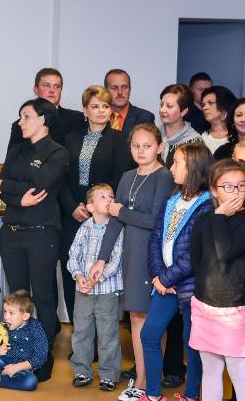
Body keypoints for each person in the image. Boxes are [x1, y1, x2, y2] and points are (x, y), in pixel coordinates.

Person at [87, 123, 174, 401]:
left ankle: (149, 381)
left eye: (147, 145)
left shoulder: (164, 176)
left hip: (153, 255)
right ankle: (143, 378)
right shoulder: (127, 176)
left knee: (153, 321)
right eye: (136, 145)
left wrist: (121, 211)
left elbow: (154, 220)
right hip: (132, 254)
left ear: (159, 147)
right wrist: (102, 258)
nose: (140, 150)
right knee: (137, 317)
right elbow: (114, 222)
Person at [0, 97, 69, 381]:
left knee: (43, 296)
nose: (20, 122)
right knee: (18, 298)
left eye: (26, 116)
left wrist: (8, 187)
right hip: (12, 232)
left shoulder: (57, 153)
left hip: (41, 233)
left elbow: (39, 187)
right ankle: (18, 353)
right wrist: (17, 196)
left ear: (43, 119)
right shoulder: (16, 150)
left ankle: (42, 357)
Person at [140, 142, 214, 401]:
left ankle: (191, 396)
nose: (171, 168)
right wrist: (158, 276)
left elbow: (195, 253)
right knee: (149, 334)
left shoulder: (208, 205)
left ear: (193, 167)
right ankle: (153, 395)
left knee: (191, 342)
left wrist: (166, 277)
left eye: (177, 163)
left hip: (191, 286)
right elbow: (155, 239)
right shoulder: (171, 199)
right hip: (165, 284)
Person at [59, 86, 132, 322]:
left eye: (105, 106)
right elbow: (61, 176)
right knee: (73, 267)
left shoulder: (120, 139)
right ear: (85, 110)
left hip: (103, 215)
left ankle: (101, 333)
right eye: (95, 106)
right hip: (74, 212)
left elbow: (120, 176)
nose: (101, 111)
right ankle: (78, 328)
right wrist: (72, 206)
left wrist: (96, 205)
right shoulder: (70, 138)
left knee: (100, 268)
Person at [189, 159, 245, 401]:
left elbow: (225, 252)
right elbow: (195, 257)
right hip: (205, 303)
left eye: (242, 185)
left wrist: (220, 217)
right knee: (210, 370)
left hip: (235, 306)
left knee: (238, 371)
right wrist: (217, 217)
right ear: (214, 190)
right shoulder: (205, 219)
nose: (236, 192)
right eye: (228, 186)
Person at [68, 183, 124, 392]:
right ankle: (81, 371)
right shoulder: (84, 228)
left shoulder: (117, 227)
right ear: (90, 207)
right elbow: (73, 256)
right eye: (102, 196)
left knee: (108, 334)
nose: (109, 200)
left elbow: (116, 261)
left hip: (106, 290)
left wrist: (95, 280)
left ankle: (109, 374)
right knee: (81, 331)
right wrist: (79, 276)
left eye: (111, 196)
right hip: (83, 290)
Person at [7, 68, 86, 149]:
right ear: (36, 90)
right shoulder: (19, 125)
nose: (52, 90)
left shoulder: (77, 119)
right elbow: (12, 156)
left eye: (57, 86)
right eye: (47, 85)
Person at [159, 84, 203, 168]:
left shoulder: (194, 142)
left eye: (169, 106)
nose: (162, 110)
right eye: (161, 105)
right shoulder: (153, 134)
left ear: (184, 111)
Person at [104, 69, 155, 136]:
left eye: (124, 87)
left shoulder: (145, 118)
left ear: (130, 89)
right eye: (114, 88)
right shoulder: (96, 116)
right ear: (105, 91)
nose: (120, 92)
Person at [200, 86, 237, 154]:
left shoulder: (238, 134)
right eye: (203, 105)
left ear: (224, 104)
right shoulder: (200, 136)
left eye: (210, 103)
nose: (205, 108)